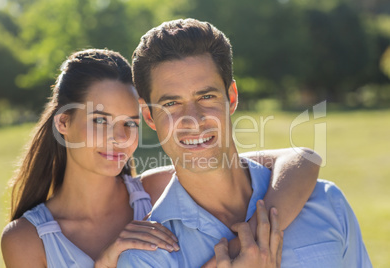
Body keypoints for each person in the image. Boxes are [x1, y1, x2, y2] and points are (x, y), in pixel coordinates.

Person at [1, 48, 317, 268]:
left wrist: (247, 242)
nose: (120, 137)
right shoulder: (26, 240)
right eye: (100, 120)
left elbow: (302, 160)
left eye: (131, 122)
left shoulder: (159, 189)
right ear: (63, 123)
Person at [117, 18, 372, 267]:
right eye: (171, 104)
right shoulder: (145, 258)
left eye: (206, 96)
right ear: (149, 115)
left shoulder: (326, 202)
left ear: (232, 96)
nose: (193, 120)